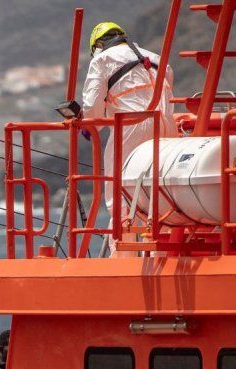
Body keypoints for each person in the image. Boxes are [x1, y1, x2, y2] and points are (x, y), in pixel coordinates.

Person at [82, 22, 177, 253]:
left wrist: (87, 125)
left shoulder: (102, 60)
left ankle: (123, 253)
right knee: (161, 190)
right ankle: (160, 252)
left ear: (98, 45)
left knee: (120, 191)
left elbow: (92, 108)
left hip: (133, 126)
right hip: (166, 127)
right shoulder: (155, 58)